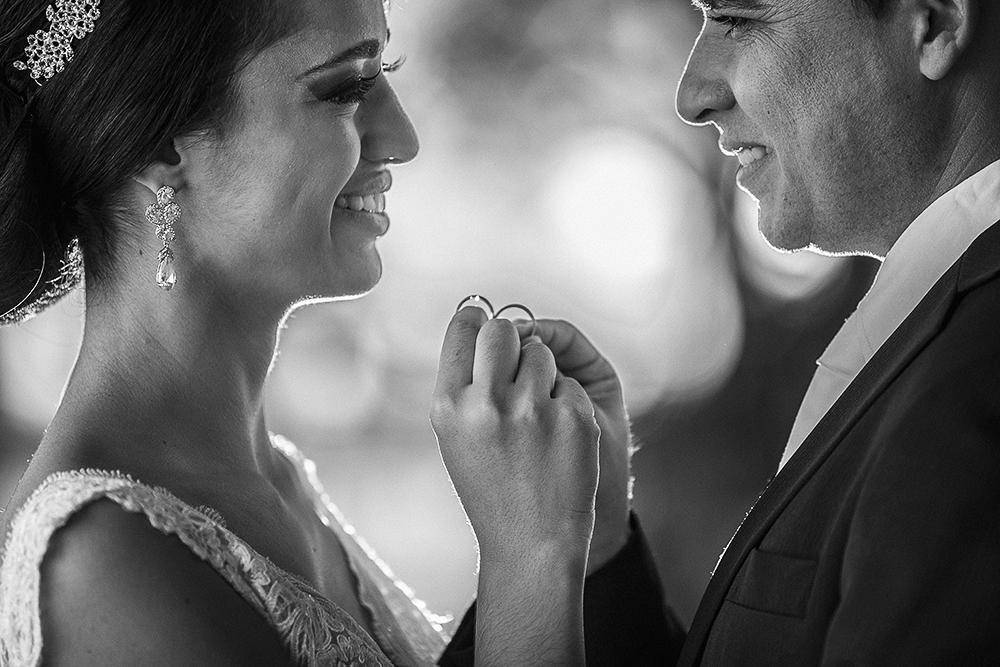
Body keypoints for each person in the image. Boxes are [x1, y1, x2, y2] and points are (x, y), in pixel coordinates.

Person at [0, 0, 680, 665]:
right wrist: (529, 559)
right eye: (347, 88)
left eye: (387, 72)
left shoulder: (283, 478)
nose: (404, 138)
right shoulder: (98, 561)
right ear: (158, 140)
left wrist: (592, 541)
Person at [446, 0, 999, 663]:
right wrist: (594, 545)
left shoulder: (976, 381)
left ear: (934, 24)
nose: (692, 95)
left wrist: (528, 563)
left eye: (740, 18)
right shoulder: (942, 321)